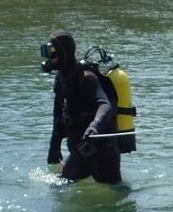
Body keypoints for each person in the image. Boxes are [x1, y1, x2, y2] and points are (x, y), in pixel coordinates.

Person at [42, 31, 122, 184]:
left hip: (102, 151)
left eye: (52, 54)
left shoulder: (86, 78)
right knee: (59, 186)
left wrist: (94, 127)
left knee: (116, 191)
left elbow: (105, 105)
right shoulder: (61, 79)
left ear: (63, 54)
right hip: (81, 149)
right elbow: (58, 115)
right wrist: (54, 145)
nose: (48, 59)